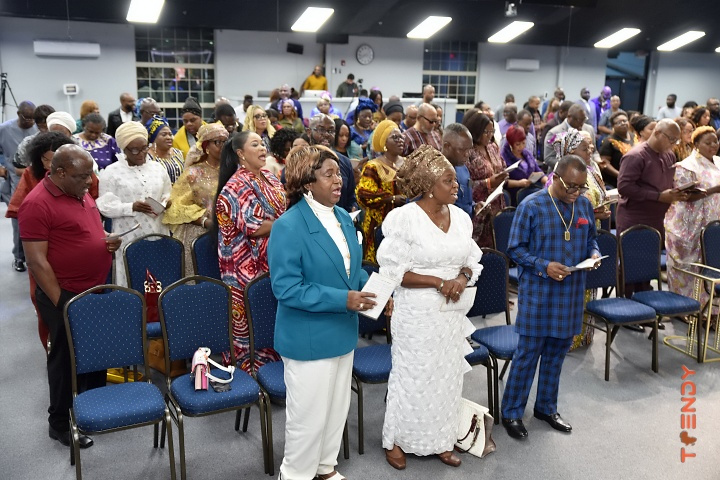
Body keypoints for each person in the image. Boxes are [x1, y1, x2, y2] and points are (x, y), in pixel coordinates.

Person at [268, 145, 375, 480]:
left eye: (338, 172)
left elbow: (351, 272)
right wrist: (344, 299)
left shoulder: (343, 216)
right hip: (308, 336)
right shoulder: (288, 226)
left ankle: (325, 468)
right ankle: (295, 474)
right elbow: (287, 288)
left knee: (335, 410)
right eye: (328, 174)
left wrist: (376, 292)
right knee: (308, 417)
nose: (338, 179)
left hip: (342, 331)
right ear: (307, 182)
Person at [377, 144, 482, 470]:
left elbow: (472, 260)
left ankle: (441, 440)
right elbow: (394, 272)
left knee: (446, 378)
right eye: (448, 181)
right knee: (414, 378)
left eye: (455, 180)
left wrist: (462, 278)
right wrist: (438, 282)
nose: (456, 186)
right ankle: (396, 440)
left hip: (451, 315)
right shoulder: (405, 219)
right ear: (428, 186)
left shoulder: (461, 218)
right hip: (416, 316)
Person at [19, 144, 121, 449]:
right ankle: (60, 423)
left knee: (97, 352)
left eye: (90, 174)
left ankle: (94, 410)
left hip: (94, 288)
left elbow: (85, 232)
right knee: (65, 359)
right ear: (60, 173)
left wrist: (105, 241)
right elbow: (37, 261)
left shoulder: (79, 191)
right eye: (82, 176)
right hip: (63, 294)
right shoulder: (36, 203)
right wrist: (64, 304)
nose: (90, 181)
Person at [501, 155, 600, 440]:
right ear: (555, 178)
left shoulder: (584, 205)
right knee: (528, 355)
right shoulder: (531, 206)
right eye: (570, 186)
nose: (576, 192)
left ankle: (546, 407)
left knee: (557, 354)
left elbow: (591, 238)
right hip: (539, 293)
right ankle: (512, 412)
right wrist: (544, 265)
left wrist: (594, 253)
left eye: (581, 187)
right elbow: (514, 249)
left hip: (571, 293)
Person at [6, 132, 88, 351]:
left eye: (53, 159)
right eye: (44, 158)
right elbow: (20, 210)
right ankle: (52, 348)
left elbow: (92, 201)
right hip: (44, 254)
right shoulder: (31, 177)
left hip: (78, 269)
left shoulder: (80, 176)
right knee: (50, 311)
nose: (48, 164)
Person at [215, 131, 286, 372]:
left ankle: (275, 368)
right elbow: (254, 227)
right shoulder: (235, 185)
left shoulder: (270, 177)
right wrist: (289, 224)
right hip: (244, 264)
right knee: (250, 318)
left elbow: (282, 210)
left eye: (263, 143)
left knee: (271, 313)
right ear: (240, 153)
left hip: (272, 257)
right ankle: (249, 370)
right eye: (255, 144)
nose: (262, 148)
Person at [547, 129, 610, 350]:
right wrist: (594, 214)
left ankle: (582, 335)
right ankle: (565, 338)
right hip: (566, 239)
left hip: (588, 234)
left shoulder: (591, 171)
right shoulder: (556, 178)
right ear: (570, 151)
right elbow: (557, 214)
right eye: (585, 147)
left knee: (586, 286)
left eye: (591, 146)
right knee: (568, 288)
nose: (590, 150)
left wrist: (598, 213)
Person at [616, 119, 690, 300]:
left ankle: (645, 303)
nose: (674, 144)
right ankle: (625, 305)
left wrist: (679, 192)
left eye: (676, 140)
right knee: (630, 265)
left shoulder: (669, 155)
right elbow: (624, 187)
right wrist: (658, 196)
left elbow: (667, 182)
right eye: (671, 139)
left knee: (648, 265)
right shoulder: (636, 156)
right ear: (657, 133)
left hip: (657, 218)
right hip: (635, 217)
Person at [96, 122, 172, 286]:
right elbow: (104, 206)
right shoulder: (111, 172)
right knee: (133, 278)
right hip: (128, 235)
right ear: (124, 149)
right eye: (135, 150)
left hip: (158, 231)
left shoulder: (157, 168)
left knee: (159, 277)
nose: (142, 153)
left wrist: (165, 202)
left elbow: (168, 192)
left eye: (144, 148)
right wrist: (131, 207)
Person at [164, 123, 229, 276]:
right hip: (201, 234)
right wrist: (205, 221)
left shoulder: (231, 170)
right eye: (217, 142)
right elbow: (177, 206)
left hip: (228, 233)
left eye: (225, 141)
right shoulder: (194, 173)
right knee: (203, 279)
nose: (223, 146)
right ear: (206, 146)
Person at [665, 126, 720, 306]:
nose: (713, 145)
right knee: (690, 267)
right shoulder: (686, 166)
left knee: (711, 265)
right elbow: (684, 196)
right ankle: (685, 308)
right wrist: (714, 189)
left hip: (713, 222)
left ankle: (710, 310)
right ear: (696, 144)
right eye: (708, 142)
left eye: (715, 141)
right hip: (689, 223)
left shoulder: (718, 162)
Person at [356, 119, 406, 262]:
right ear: (384, 143)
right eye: (395, 137)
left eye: (401, 136)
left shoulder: (408, 164)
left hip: (404, 225)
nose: (400, 140)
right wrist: (392, 199)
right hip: (378, 225)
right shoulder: (373, 166)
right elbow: (364, 195)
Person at [0, 101, 39, 272]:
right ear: (18, 114)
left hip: (35, 179)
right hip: (13, 180)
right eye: (26, 118)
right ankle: (19, 257)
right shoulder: (4, 129)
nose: (30, 121)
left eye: (32, 118)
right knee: (18, 220)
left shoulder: (38, 129)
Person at [463, 109, 508, 247]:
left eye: (492, 131)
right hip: (479, 207)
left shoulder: (493, 147)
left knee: (498, 243)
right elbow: (465, 183)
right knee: (482, 248)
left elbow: (502, 165)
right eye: (486, 132)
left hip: (497, 201)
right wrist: (487, 183)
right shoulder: (468, 152)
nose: (490, 135)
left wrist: (504, 175)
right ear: (476, 131)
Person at [309, 114, 357, 213]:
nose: (326, 134)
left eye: (331, 131)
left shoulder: (344, 162)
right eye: (321, 130)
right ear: (309, 132)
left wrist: (353, 208)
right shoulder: (300, 162)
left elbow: (351, 197)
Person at [502, 125, 546, 204]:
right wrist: (519, 183)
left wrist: (547, 180)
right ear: (510, 144)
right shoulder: (504, 158)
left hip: (532, 193)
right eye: (518, 144)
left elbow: (538, 170)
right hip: (516, 197)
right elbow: (503, 182)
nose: (521, 147)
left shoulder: (527, 153)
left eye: (523, 143)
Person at [544, 104, 597, 169]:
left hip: (589, 170)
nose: (582, 123)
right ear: (569, 117)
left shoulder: (589, 129)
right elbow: (549, 158)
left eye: (584, 119)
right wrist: (571, 165)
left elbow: (594, 151)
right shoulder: (554, 133)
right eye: (579, 120)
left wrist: (597, 160)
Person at [441, 123, 474, 216]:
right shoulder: (431, 173)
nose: (467, 154)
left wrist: (474, 207)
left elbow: (466, 200)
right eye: (462, 149)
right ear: (447, 146)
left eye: (469, 149)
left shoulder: (463, 169)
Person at [146, 115, 185, 184]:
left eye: (170, 134)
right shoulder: (147, 157)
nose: (169, 137)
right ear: (153, 138)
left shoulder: (177, 153)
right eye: (164, 135)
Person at [598, 111, 634, 186]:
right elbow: (604, 163)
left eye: (625, 121)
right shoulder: (608, 141)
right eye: (619, 122)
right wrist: (620, 175)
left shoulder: (634, 137)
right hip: (615, 182)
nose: (623, 123)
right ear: (613, 126)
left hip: (633, 179)